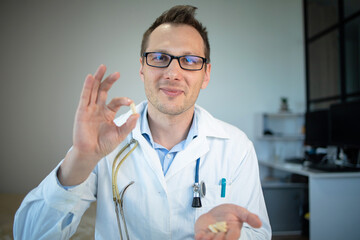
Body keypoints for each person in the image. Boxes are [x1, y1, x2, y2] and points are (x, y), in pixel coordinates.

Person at [14, 5, 271, 240]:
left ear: (206, 75)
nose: (173, 73)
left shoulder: (236, 147)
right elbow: (28, 234)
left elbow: (258, 233)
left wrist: (232, 237)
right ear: (142, 68)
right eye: (160, 58)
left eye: (190, 61)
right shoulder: (104, 142)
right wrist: (80, 158)